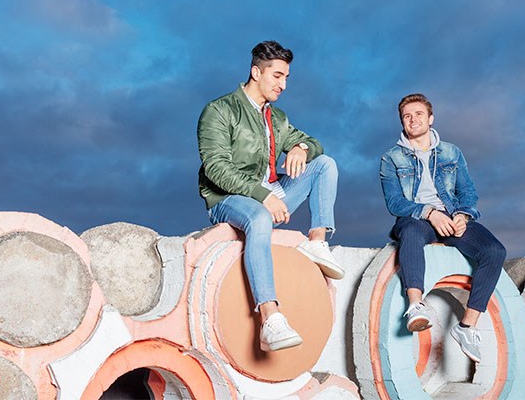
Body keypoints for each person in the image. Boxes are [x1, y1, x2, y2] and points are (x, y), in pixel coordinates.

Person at [197, 40, 344, 352]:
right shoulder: (219, 110)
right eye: (277, 76)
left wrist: (301, 148)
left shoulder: (276, 117)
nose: (283, 84)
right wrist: (262, 196)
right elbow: (215, 168)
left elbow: (312, 142)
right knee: (260, 218)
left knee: (324, 165)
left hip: (272, 196)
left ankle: (317, 240)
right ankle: (270, 318)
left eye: (286, 78)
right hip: (228, 199)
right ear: (255, 72)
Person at [379, 93, 506, 363]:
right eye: (407, 116)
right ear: (401, 122)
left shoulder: (451, 152)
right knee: (411, 234)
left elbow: (468, 192)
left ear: (431, 118)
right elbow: (394, 202)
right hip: (416, 218)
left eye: (418, 114)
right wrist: (429, 213)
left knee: (494, 251)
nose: (413, 120)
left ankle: (467, 327)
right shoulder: (391, 158)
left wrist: (463, 215)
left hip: (451, 217)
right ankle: (415, 306)